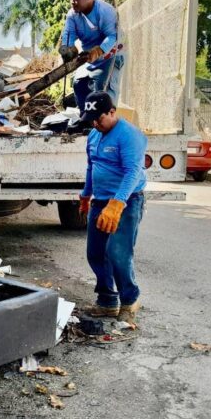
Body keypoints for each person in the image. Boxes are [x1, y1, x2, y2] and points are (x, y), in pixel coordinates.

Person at [78, 91, 147, 325]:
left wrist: (117, 203)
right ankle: (107, 301)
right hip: (100, 201)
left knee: (118, 252)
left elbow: (132, 172)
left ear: (112, 112)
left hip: (126, 201)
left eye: (100, 118)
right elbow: (91, 167)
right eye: (92, 119)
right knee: (95, 253)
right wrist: (86, 195)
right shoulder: (93, 135)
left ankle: (130, 300)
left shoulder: (129, 136)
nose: (96, 123)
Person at [59, 0, 124, 115]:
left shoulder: (105, 11)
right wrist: (67, 50)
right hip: (88, 59)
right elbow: (68, 35)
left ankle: (106, 121)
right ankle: (87, 119)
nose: (73, 2)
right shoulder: (72, 15)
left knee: (102, 89)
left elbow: (112, 36)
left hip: (109, 55)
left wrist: (99, 50)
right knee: (78, 84)